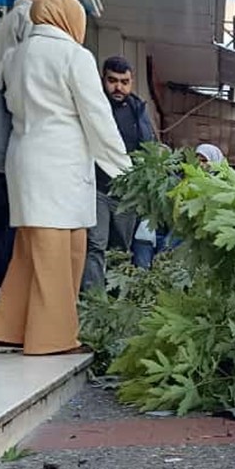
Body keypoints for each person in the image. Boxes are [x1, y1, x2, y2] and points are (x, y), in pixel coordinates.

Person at [0, 0, 131, 355]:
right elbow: (97, 116)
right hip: (58, 164)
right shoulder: (73, 56)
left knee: (31, 251)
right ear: (68, 17)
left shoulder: (13, 56)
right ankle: (52, 339)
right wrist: (126, 170)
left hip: (24, 158)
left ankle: (7, 328)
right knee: (58, 257)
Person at [0, 0, 58, 299]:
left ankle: (4, 289)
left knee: (3, 214)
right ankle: (16, 292)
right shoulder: (28, 22)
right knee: (24, 217)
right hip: (23, 133)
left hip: (5, 135)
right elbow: (32, 84)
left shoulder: (3, 26)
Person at [80, 55, 156, 292]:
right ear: (103, 79)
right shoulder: (94, 106)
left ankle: (114, 300)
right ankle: (95, 299)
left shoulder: (137, 110)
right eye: (112, 80)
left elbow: (149, 148)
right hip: (97, 188)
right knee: (96, 244)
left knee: (120, 249)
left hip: (127, 194)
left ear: (131, 82)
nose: (118, 87)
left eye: (124, 81)